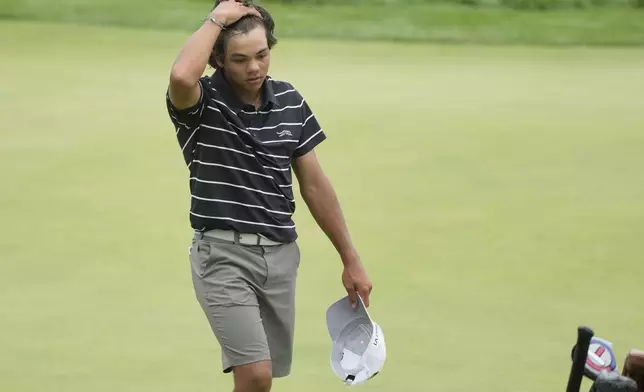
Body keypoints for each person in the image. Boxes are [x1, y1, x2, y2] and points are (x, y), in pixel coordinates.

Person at [165, 1, 374, 391]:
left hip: (280, 256)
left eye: (262, 55)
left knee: (264, 380)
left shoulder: (290, 101)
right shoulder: (200, 103)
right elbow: (180, 74)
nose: (255, 68)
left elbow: (314, 184)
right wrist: (217, 18)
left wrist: (351, 258)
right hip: (222, 256)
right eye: (240, 59)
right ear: (218, 61)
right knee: (256, 375)